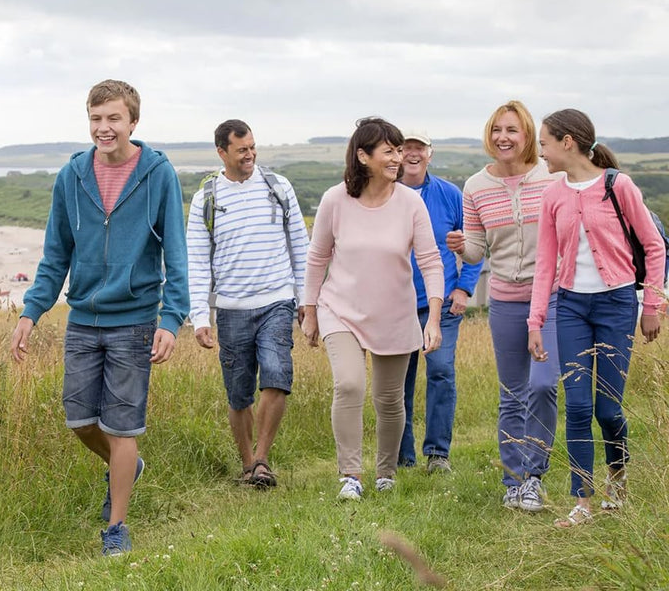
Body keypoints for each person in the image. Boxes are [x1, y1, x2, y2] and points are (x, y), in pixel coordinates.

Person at [9, 79, 188, 556]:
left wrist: (172, 319)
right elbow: (54, 255)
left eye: (113, 118)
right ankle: (127, 468)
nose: (103, 128)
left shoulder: (158, 174)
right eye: (95, 118)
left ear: (132, 121)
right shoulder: (71, 176)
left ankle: (116, 527)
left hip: (135, 319)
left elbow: (177, 251)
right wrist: (32, 311)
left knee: (123, 425)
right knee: (80, 419)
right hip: (83, 317)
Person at [529, 109, 664, 527]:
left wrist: (653, 307)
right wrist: (535, 322)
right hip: (570, 308)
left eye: (545, 143)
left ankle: (618, 478)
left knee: (608, 409)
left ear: (568, 142)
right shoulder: (553, 194)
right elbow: (546, 264)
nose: (542, 152)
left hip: (617, 305)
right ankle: (582, 500)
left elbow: (654, 247)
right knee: (579, 405)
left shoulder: (618, 186)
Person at [302, 117, 444, 500]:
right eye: (389, 151)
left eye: (399, 150)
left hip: (395, 312)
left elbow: (430, 261)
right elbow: (318, 258)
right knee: (349, 384)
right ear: (363, 156)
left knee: (389, 399)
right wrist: (310, 309)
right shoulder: (336, 199)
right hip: (340, 308)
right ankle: (350, 474)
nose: (398, 158)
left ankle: (385, 473)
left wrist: (433, 316)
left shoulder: (411, 203)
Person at [446, 100, 559, 512]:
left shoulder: (552, 177)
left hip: (551, 296)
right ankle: (514, 481)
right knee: (512, 394)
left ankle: (535, 474)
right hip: (506, 300)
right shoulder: (475, 186)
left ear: (527, 135)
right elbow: (478, 251)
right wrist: (463, 247)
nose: (503, 137)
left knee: (544, 384)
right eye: (496, 130)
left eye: (511, 130)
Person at [186, 119, 310, 488]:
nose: (250, 155)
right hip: (231, 308)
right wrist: (199, 317)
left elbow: (300, 246)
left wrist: (306, 300)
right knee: (238, 392)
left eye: (253, 147)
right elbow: (197, 259)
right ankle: (246, 465)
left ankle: (261, 460)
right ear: (221, 152)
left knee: (276, 375)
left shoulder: (278, 187)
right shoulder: (205, 198)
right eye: (242, 150)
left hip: (277, 299)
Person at [398, 131, 484, 473]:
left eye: (420, 147)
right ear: (396, 154)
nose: (413, 154)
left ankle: (438, 455)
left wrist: (464, 288)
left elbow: (475, 244)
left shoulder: (450, 195)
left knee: (442, 372)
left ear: (430, 154)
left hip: (443, 305)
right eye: (406, 148)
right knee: (397, 383)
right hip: (397, 305)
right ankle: (402, 457)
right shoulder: (386, 194)